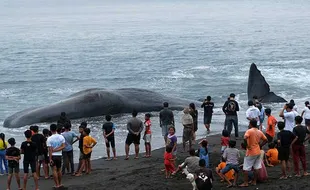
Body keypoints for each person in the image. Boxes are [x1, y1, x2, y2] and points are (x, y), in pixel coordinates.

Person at [239, 120, 267, 187]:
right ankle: (254, 181)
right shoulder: (259, 131)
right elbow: (266, 140)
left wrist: (247, 146)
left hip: (251, 151)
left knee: (246, 168)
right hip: (258, 151)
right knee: (256, 167)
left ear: (251, 124)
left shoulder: (249, 131)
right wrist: (260, 145)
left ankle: (245, 183)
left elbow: (245, 138)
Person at [47, 124, 66, 188]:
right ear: (56, 129)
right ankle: (60, 183)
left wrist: (50, 159)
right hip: (59, 155)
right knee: (59, 170)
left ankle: (57, 184)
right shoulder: (61, 137)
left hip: (53, 156)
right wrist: (57, 150)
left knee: (54, 170)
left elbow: (50, 150)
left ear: (50, 129)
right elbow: (63, 146)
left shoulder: (49, 138)